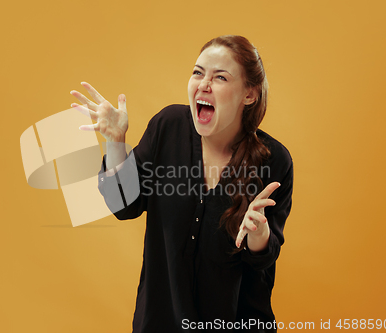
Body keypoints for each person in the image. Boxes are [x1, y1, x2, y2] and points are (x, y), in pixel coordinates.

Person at [70, 35, 293, 333]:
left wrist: (260, 235)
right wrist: (115, 143)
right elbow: (125, 207)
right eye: (198, 72)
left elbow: (262, 262)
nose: (203, 84)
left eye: (220, 77)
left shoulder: (274, 160)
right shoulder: (167, 126)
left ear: (249, 95)